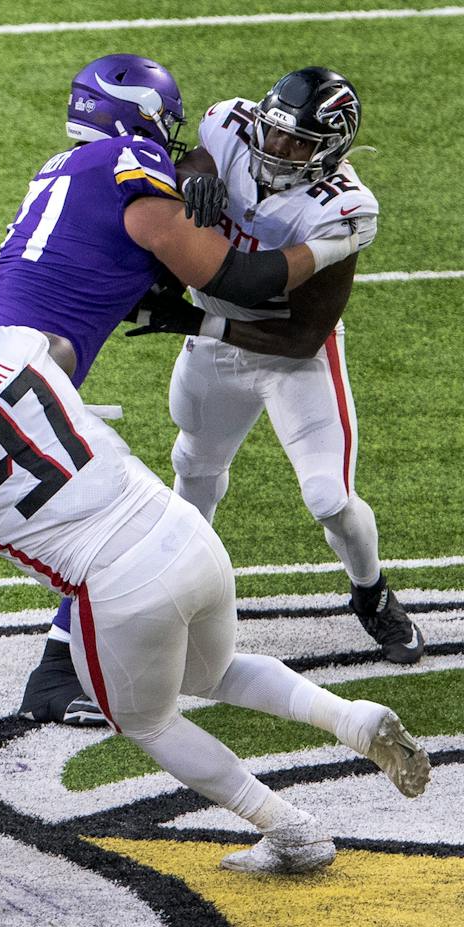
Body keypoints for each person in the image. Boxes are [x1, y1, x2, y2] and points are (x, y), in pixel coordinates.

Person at [0, 53, 368, 729]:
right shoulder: (131, 166)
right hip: (19, 367)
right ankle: (11, 659)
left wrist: (192, 198)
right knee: (102, 515)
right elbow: (241, 281)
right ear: (144, 118)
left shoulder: (70, 168)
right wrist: (339, 241)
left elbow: (144, 267)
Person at [0, 316, 432, 873]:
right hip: (183, 530)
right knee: (208, 672)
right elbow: (57, 349)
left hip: (117, 582)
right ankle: (352, 718)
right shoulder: (15, 345)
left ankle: (291, 829)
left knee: (147, 720)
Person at [137, 68, 424, 665]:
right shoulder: (231, 123)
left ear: (332, 149)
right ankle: (184, 599)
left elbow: (301, 335)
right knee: (193, 468)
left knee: (329, 498)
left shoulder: (344, 209)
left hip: (293, 356)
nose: (277, 149)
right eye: (274, 133)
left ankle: (371, 593)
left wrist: (197, 321)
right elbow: (190, 166)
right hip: (215, 340)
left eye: (298, 143)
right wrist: (194, 182)